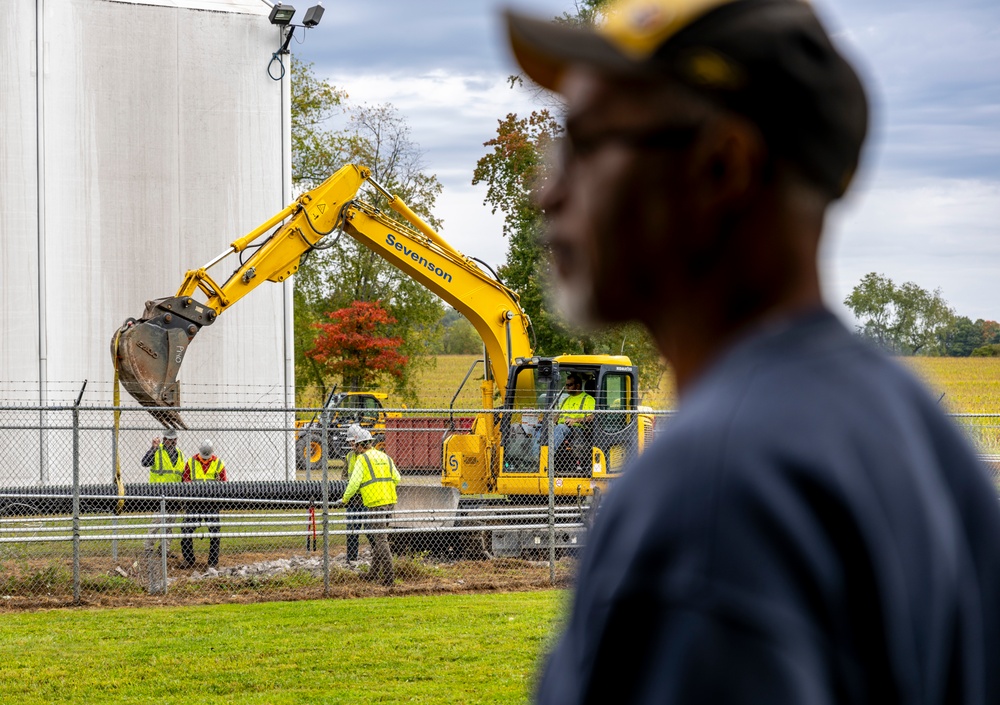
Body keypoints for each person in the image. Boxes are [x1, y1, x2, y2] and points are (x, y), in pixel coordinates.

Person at [504, 1, 1000, 703]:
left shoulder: (710, 495)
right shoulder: (919, 437)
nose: (549, 192)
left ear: (721, 165)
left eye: (586, 143)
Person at [333, 424, 401, 586]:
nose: (352, 446)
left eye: (353, 444)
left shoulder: (362, 459)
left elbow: (354, 483)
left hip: (375, 503)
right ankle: (373, 573)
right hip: (390, 501)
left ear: (358, 444)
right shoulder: (385, 457)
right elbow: (397, 478)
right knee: (379, 538)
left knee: (381, 540)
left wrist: (344, 499)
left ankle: (389, 578)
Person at [179, 439, 228, 569]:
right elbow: (185, 479)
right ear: (199, 452)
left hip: (211, 503)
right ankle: (189, 559)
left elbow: (224, 483)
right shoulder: (191, 462)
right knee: (185, 529)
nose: (205, 459)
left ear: (212, 453)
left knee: (215, 531)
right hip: (194, 503)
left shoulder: (218, 463)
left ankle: (213, 562)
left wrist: (218, 485)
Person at [140, 427, 185, 557]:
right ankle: (148, 549)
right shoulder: (157, 451)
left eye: (175, 439)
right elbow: (145, 463)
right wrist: (153, 448)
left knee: (170, 524)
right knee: (157, 523)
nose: (173, 442)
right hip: (159, 493)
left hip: (175, 495)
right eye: (170, 440)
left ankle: (164, 550)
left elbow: (180, 474)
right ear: (164, 440)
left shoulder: (180, 454)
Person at [532, 372, 595, 458]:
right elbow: (557, 415)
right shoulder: (566, 399)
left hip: (577, 429)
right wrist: (546, 421)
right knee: (541, 427)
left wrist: (575, 420)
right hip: (562, 426)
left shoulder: (588, 399)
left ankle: (547, 457)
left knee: (560, 427)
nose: (567, 387)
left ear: (577, 386)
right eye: (566, 385)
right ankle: (535, 457)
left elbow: (591, 417)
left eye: (569, 385)